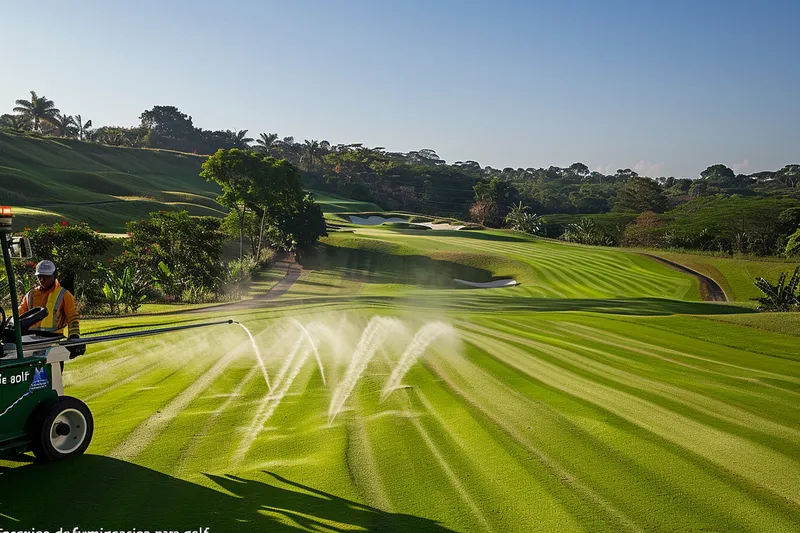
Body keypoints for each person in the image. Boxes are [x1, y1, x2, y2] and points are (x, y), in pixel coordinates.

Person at [18, 260, 85, 358]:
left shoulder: (64, 294)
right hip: (31, 340)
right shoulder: (31, 295)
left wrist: (74, 336)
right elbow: (19, 313)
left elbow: (72, 316)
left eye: (46, 276)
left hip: (53, 340)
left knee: (54, 371)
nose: (42, 279)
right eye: (39, 276)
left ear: (54, 276)